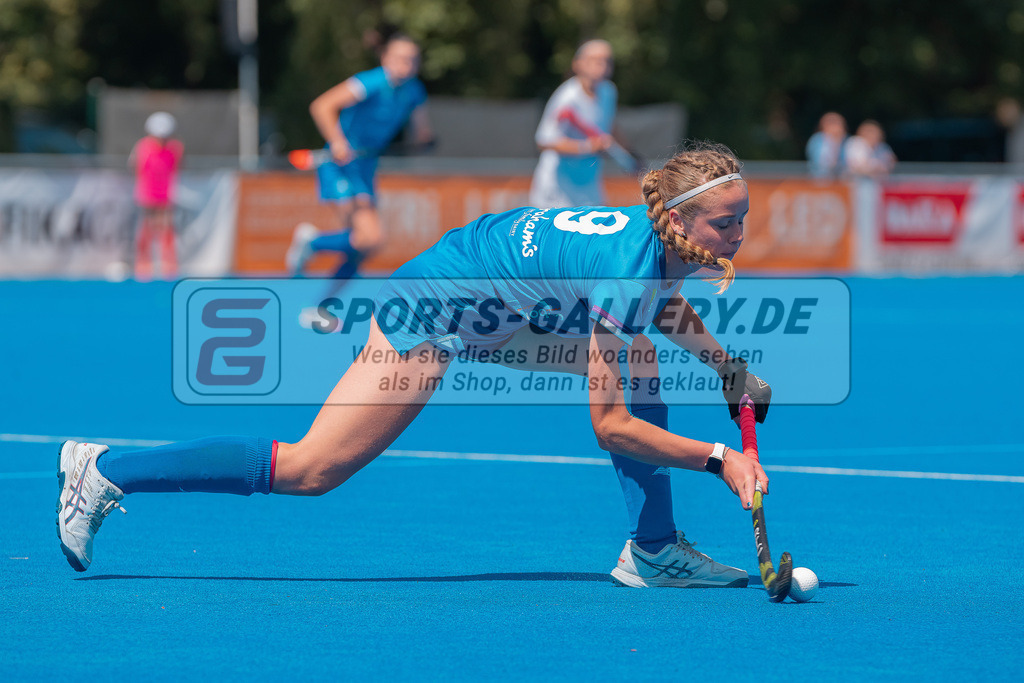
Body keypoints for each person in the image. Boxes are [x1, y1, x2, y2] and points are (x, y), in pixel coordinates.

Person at [57, 140, 773, 588]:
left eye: (742, 217)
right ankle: (108, 469)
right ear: (679, 219)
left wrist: (724, 365)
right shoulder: (629, 266)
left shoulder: (660, 243)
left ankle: (650, 549)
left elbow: (662, 303)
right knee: (313, 469)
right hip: (431, 308)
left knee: (640, 356)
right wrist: (721, 459)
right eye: (725, 222)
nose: (738, 233)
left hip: (502, 306)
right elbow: (611, 426)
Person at [286, 33, 434, 291]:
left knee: (363, 246)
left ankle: (323, 307)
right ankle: (311, 242)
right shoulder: (371, 81)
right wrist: (338, 142)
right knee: (370, 238)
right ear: (386, 58)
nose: (406, 65)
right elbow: (322, 106)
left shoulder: (414, 91)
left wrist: (424, 139)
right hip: (340, 166)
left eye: (412, 60)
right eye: (400, 58)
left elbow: (422, 130)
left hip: (365, 168)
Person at [529, 39, 626, 209]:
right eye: (596, 60)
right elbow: (545, 141)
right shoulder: (566, 98)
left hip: (589, 188)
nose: (602, 66)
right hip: (556, 191)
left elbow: (608, 125)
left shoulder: (609, 92)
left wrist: (629, 153)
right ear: (578, 64)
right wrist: (588, 147)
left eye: (607, 61)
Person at [130, 112, 183, 280]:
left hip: (166, 197)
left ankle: (169, 266)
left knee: (167, 231)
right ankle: (143, 265)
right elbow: (136, 168)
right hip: (146, 197)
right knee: (146, 231)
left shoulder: (175, 149)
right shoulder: (143, 147)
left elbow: (176, 168)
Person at [805, 111, 847, 178]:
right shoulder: (816, 140)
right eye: (831, 123)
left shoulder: (847, 141)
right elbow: (819, 162)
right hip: (820, 179)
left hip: (842, 180)